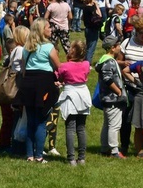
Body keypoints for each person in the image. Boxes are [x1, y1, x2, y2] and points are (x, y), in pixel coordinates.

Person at [20, 18, 61, 163]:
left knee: (31, 120)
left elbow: (23, 69)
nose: (51, 29)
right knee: (41, 121)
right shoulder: (48, 47)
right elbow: (58, 66)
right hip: (44, 84)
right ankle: (39, 155)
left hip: (28, 84)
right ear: (42, 30)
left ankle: (29, 155)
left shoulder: (26, 47)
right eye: (48, 27)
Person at [56, 41, 92, 165]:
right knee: (81, 127)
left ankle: (71, 158)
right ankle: (81, 157)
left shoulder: (65, 66)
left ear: (72, 51)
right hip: (83, 93)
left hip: (70, 94)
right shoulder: (86, 64)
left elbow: (59, 77)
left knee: (70, 128)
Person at [97, 35, 128, 159]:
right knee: (114, 125)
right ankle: (114, 150)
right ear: (112, 48)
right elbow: (107, 79)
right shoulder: (109, 61)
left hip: (107, 98)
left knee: (108, 124)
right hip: (113, 99)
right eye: (118, 45)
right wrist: (119, 92)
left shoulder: (104, 60)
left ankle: (105, 148)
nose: (120, 47)